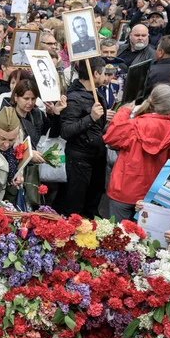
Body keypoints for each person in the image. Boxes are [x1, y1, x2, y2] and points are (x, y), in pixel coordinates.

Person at [104, 84, 170, 222]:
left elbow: (110, 137)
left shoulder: (135, 124)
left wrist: (123, 112)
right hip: (151, 192)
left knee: (115, 237)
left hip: (123, 188)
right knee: (143, 239)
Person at [57, 57, 107, 219]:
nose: (105, 77)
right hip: (80, 158)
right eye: (103, 73)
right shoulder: (74, 98)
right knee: (75, 204)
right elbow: (66, 130)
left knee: (92, 201)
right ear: (95, 73)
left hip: (96, 156)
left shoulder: (96, 94)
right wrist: (90, 118)